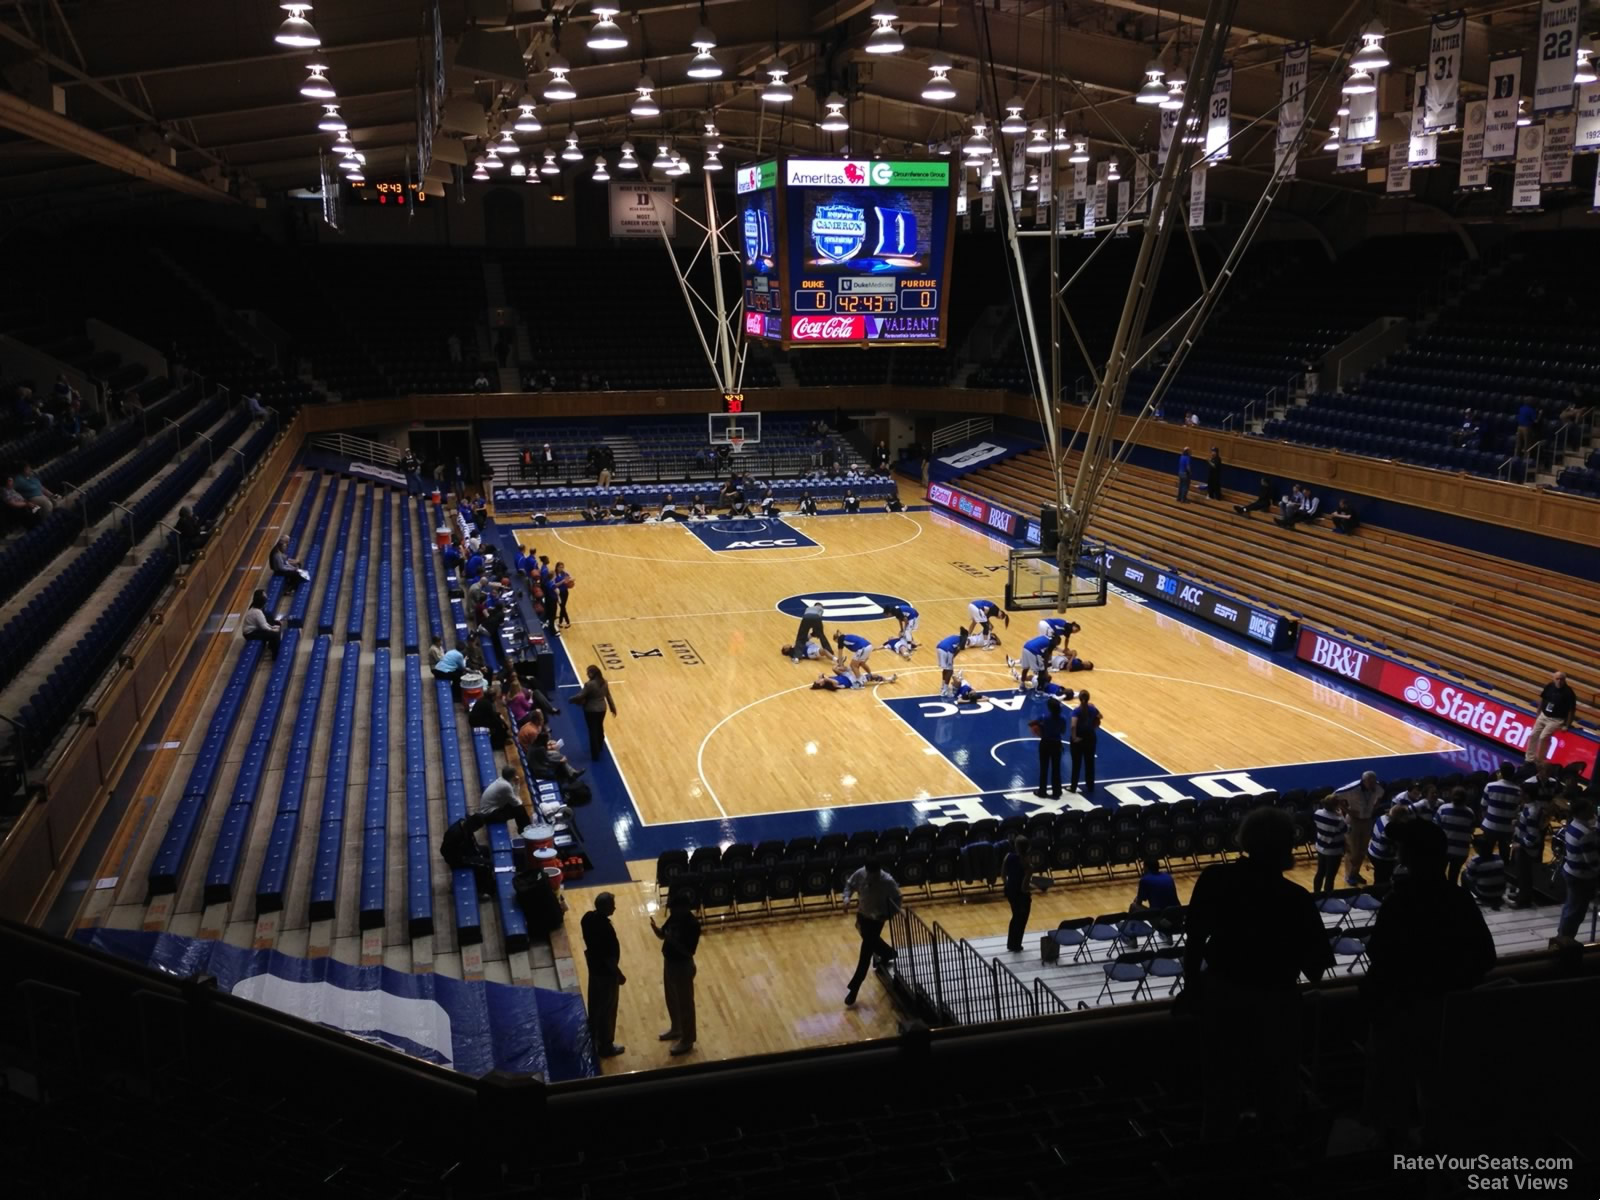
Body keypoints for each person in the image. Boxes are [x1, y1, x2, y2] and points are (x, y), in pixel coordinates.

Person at [1181, 807, 1333, 1141]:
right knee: (1276, 1096)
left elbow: (1193, 940)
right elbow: (1317, 968)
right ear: (1287, 847)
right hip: (1277, 1002)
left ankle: (1217, 1166)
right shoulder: (1295, 898)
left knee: (1220, 1097)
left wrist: (1192, 987)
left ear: (1245, 840)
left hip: (1223, 997)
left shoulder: (1214, 879)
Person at [1359, 820, 1496, 1146]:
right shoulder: (1459, 898)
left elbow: (1379, 954)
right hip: (1445, 1012)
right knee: (1434, 1095)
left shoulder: (1400, 901)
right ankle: (1435, 1163)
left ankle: (1393, 1163)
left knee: (1392, 1094)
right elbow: (1485, 958)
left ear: (1411, 855)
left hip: (1400, 1013)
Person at [840, 857, 902, 1007]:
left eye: (872, 874)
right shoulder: (861, 873)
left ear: (878, 871)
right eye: (868, 873)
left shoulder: (888, 881)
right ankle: (888, 953)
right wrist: (846, 898)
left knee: (866, 952)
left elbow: (898, 899)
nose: (869, 877)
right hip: (862, 915)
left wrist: (888, 915)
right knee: (871, 942)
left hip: (876, 919)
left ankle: (854, 989)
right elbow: (850, 885)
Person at [651, 891, 700, 1055]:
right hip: (669, 963)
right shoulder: (674, 918)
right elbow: (663, 935)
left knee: (685, 1004)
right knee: (671, 998)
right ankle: (676, 1028)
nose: (671, 912)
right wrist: (656, 930)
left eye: (674, 909)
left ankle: (688, 1040)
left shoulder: (692, 924)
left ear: (684, 908)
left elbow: (688, 952)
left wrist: (671, 940)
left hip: (682, 966)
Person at [582, 892, 626, 1058]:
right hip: (606, 974)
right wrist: (619, 974)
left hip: (593, 968)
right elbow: (608, 958)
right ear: (605, 907)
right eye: (612, 905)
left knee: (595, 1005)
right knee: (607, 1009)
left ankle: (593, 1036)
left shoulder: (587, 918)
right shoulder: (605, 929)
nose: (614, 907)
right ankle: (606, 1046)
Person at [1553, 796, 1598, 949]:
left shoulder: (1573, 825)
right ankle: (1565, 941)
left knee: (1570, 907)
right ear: (1583, 812)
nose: (1593, 810)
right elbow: (1593, 862)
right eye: (1590, 808)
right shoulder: (1585, 834)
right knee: (1575, 912)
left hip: (1571, 871)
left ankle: (1562, 935)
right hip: (1581, 877)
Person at [1335, 771, 1383, 885]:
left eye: (1374, 782)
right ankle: (1348, 875)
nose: (1372, 785)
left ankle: (1355, 873)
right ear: (1363, 781)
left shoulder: (1378, 787)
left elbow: (1380, 796)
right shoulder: (1353, 788)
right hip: (1353, 821)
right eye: (1370, 782)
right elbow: (1335, 796)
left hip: (1367, 821)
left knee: (1362, 851)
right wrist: (1347, 811)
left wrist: (1373, 808)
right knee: (1353, 850)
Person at [1509, 784, 1550, 908]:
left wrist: (1520, 845)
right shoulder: (1531, 807)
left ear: (1527, 795)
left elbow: (1532, 835)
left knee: (1524, 875)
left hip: (1525, 849)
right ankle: (1522, 894)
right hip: (1522, 846)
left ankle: (1523, 901)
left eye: (1521, 792)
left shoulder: (1532, 812)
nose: (1519, 794)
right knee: (1522, 874)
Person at [440, 811, 494, 899]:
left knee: (485, 850)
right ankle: (481, 890)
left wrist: (478, 854)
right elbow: (444, 851)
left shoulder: (466, 826)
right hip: (458, 859)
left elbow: (473, 843)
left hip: (464, 851)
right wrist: (467, 858)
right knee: (486, 864)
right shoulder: (455, 834)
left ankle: (486, 879)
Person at [1528, 669, 1577, 764]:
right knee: (1533, 735)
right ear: (1553, 679)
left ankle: (1540, 760)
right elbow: (1542, 699)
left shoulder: (1568, 692)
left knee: (1543, 737)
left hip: (1556, 720)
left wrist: (1567, 725)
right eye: (1557, 679)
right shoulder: (1549, 686)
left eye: (1561, 679)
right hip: (1543, 715)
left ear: (1565, 680)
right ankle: (1529, 759)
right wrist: (1538, 713)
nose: (1559, 681)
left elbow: (1571, 710)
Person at [1479, 762, 1521, 860]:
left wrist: (1487, 819)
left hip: (1490, 826)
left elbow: (1483, 806)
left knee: (1485, 855)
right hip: (1507, 829)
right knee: (1504, 856)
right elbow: (1517, 811)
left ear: (1500, 773)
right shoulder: (1518, 791)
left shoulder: (1490, 786)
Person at [1436, 787, 1477, 884]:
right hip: (1461, 852)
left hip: (1443, 849)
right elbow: (1472, 829)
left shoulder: (1443, 809)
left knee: (1439, 874)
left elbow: (1436, 828)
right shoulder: (1470, 813)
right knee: (1453, 876)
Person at [577, 664, 617, 760]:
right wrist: (613, 708)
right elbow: (608, 696)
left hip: (591, 710)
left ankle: (595, 754)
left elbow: (581, 696)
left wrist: (572, 700)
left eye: (588, 672)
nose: (587, 674)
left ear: (592, 674)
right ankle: (600, 745)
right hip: (602, 709)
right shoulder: (604, 682)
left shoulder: (589, 685)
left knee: (592, 731)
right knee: (599, 726)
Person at [1031, 697, 1067, 799]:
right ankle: (1057, 791)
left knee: (1044, 768)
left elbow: (1031, 724)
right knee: (1056, 769)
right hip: (1056, 744)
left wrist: (1039, 729)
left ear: (1049, 708)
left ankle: (1042, 791)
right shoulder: (1063, 718)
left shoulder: (1044, 717)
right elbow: (1063, 731)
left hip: (1045, 743)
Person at [1365, 802, 1410, 885]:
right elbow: (1399, 845)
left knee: (1380, 877)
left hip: (1373, 850)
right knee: (1383, 881)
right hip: (1382, 856)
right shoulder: (1389, 828)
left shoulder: (1383, 817)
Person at [1312, 794, 1347, 894]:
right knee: (1330, 876)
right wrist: (1341, 815)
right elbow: (1347, 830)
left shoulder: (1317, 813)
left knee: (1320, 872)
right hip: (1333, 851)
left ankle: (1316, 894)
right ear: (1336, 806)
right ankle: (1327, 897)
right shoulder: (1338, 820)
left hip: (1320, 847)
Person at [1002, 835, 1032, 953]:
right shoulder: (1027, 865)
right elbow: (1024, 888)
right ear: (1028, 848)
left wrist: (1008, 885)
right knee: (1021, 919)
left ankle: (1011, 943)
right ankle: (1016, 945)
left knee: (1015, 917)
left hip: (1010, 891)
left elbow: (1003, 875)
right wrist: (1036, 887)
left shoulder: (1008, 856)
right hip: (1021, 895)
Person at [1069, 690, 1100, 794]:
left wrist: (1074, 737)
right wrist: (1094, 725)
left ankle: (1073, 787)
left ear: (1079, 698)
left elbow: (1073, 725)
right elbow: (1100, 717)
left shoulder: (1076, 711)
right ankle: (1090, 786)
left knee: (1076, 764)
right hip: (1090, 738)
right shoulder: (1092, 709)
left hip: (1079, 740)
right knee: (1090, 763)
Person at [1463, 834, 1506, 909]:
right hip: (1500, 892)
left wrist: (1469, 868)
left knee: (1464, 874)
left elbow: (1470, 878)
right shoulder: (1498, 857)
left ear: (1477, 848)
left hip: (1485, 894)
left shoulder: (1475, 861)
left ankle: (1465, 898)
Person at [240, 589, 282, 654]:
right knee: (275, 635)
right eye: (265, 595)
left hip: (256, 627)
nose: (267, 596)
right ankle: (276, 655)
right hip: (250, 633)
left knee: (272, 620)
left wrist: (273, 625)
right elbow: (264, 626)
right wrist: (273, 629)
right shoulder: (257, 612)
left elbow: (264, 620)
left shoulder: (256, 607)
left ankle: (272, 645)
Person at [935, 629, 970, 697]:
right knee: (950, 671)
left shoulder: (956, 637)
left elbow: (956, 651)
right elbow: (952, 651)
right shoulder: (961, 640)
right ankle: (944, 691)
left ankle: (943, 687)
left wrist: (951, 659)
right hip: (946, 650)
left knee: (946, 669)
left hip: (939, 647)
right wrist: (951, 660)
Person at [549, 561, 574, 628]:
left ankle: (564, 622)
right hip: (558, 592)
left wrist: (570, 580)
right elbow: (555, 585)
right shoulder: (554, 574)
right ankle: (565, 622)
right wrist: (562, 581)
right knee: (562, 607)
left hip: (565, 592)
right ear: (557, 567)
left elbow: (572, 578)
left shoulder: (564, 573)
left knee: (562, 607)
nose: (562, 568)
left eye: (562, 567)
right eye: (560, 567)